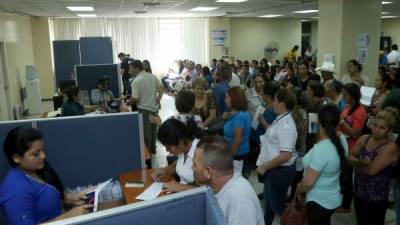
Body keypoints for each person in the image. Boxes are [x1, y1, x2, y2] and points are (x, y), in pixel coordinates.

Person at [0, 127, 92, 225]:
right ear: (16, 158)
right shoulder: (15, 190)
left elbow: (47, 193)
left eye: (43, 150)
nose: (43, 155)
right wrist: (69, 216)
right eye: (36, 154)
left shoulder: (37, 167)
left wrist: (68, 197)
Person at [256, 89, 306, 225]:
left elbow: (285, 155)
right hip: (274, 169)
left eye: (275, 100)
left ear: (282, 103)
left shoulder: (286, 125)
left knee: (278, 208)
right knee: (270, 205)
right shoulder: (282, 118)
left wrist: (263, 166)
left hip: (279, 171)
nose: (273, 103)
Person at [192, 136, 265, 225]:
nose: (192, 168)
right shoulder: (213, 185)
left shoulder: (239, 200)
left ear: (208, 172)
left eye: (195, 165)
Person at [296, 104, 348, 225]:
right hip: (333, 196)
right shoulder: (341, 139)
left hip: (318, 202)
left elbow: (308, 183)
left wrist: (299, 189)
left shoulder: (323, 149)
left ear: (318, 120)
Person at [350, 108, 399, 225]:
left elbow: (371, 171)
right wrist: (360, 162)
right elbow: (349, 158)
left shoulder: (390, 147)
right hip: (358, 193)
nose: (376, 130)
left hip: (376, 199)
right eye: (375, 125)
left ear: (390, 130)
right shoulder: (364, 138)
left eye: (382, 128)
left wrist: (356, 162)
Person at [337, 82, 367, 213]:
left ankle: (346, 205)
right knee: (343, 176)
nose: (343, 97)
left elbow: (356, 133)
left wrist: (342, 122)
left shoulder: (360, 111)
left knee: (347, 177)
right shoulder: (349, 107)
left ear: (353, 96)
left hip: (352, 147)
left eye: (345, 95)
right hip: (344, 144)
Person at [155, 118, 203, 192]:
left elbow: (206, 190)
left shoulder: (200, 151)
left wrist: (179, 186)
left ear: (180, 140)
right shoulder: (183, 149)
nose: (167, 150)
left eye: (168, 146)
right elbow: (182, 164)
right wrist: (166, 170)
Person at [129, 60, 164, 158]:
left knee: (146, 135)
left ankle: (147, 157)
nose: (129, 71)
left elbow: (136, 98)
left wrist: (129, 102)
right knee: (153, 133)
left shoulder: (135, 81)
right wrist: (158, 100)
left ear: (137, 68)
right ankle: (153, 152)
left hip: (143, 110)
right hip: (154, 109)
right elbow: (162, 88)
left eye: (131, 69)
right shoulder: (152, 76)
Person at [224, 86, 251, 174]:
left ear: (234, 99)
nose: (225, 100)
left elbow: (238, 140)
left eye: (227, 97)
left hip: (237, 154)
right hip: (235, 152)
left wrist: (230, 157)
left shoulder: (240, 116)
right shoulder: (237, 113)